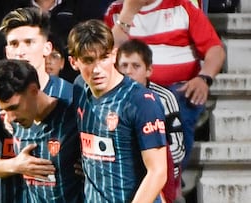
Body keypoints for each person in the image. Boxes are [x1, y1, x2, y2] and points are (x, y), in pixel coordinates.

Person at [104, 0, 226, 169]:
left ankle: (171, 180)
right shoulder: (116, 11)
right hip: (133, 91)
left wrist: (204, 77)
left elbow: (215, 49)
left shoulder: (182, 6)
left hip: (179, 88)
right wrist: (127, 15)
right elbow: (108, 55)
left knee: (173, 102)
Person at [0, 7, 73, 203]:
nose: (21, 51)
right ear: (7, 51)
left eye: (29, 42)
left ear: (47, 48)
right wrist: (16, 165)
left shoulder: (70, 95)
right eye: (14, 44)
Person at [68, 19, 167, 202]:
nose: (97, 69)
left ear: (114, 55)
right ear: (74, 62)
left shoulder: (141, 102)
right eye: (88, 60)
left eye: (104, 57)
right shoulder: (79, 88)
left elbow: (158, 173)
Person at [0, 59, 83, 202]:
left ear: (34, 90)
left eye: (13, 108)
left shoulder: (73, 118)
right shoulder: (16, 122)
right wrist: (16, 165)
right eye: (4, 110)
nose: (10, 118)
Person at [115, 39, 186, 202]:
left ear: (149, 70)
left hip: (161, 179)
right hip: (118, 177)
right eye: (124, 66)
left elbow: (178, 148)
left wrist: (148, 162)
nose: (128, 71)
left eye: (135, 66)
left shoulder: (164, 98)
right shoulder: (110, 98)